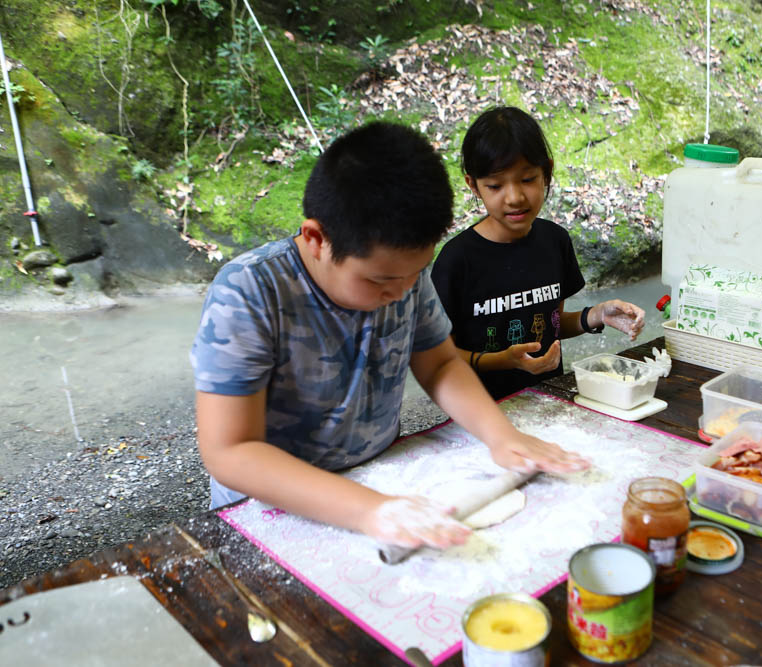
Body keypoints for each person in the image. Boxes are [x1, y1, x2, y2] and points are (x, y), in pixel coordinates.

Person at [189, 122, 589, 551]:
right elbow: (230, 450)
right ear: (316, 239)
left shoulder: (402, 273)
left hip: (380, 477)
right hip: (270, 508)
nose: (401, 292)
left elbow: (439, 364)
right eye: (381, 280)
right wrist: (369, 510)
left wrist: (501, 436)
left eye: (415, 274)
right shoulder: (249, 292)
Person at [431, 106, 646, 400]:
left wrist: (596, 315)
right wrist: (503, 360)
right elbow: (439, 359)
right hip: (479, 413)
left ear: (546, 171)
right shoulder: (456, 261)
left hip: (548, 399)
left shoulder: (554, 241)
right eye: (495, 185)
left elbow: (552, 325)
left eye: (528, 179)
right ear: (474, 186)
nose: (515, 197)